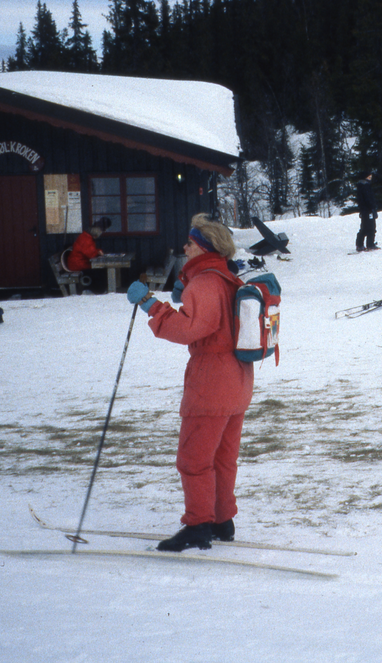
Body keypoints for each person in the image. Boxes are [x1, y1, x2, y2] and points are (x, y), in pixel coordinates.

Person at [126, 216, 254, 552]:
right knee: (223, 457)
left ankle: (198, 524)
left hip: (211, 379)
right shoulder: (227, 277)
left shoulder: (205, 282)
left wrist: (150, 305)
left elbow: (190, 329)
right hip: (238, 378)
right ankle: (222, 520)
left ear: (205, 247)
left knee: (194, 459)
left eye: (190, 242)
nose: (184, 247)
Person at [354, 170, 379, 252]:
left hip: (365, 210)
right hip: (367, 210)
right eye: (369, 176)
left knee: (365, 227)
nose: (370, 178)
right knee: (370, 227)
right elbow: (368, 199)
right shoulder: (365, 186)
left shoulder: (364, 185)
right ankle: (369, 244)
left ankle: (361, 244)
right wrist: (372, 207)